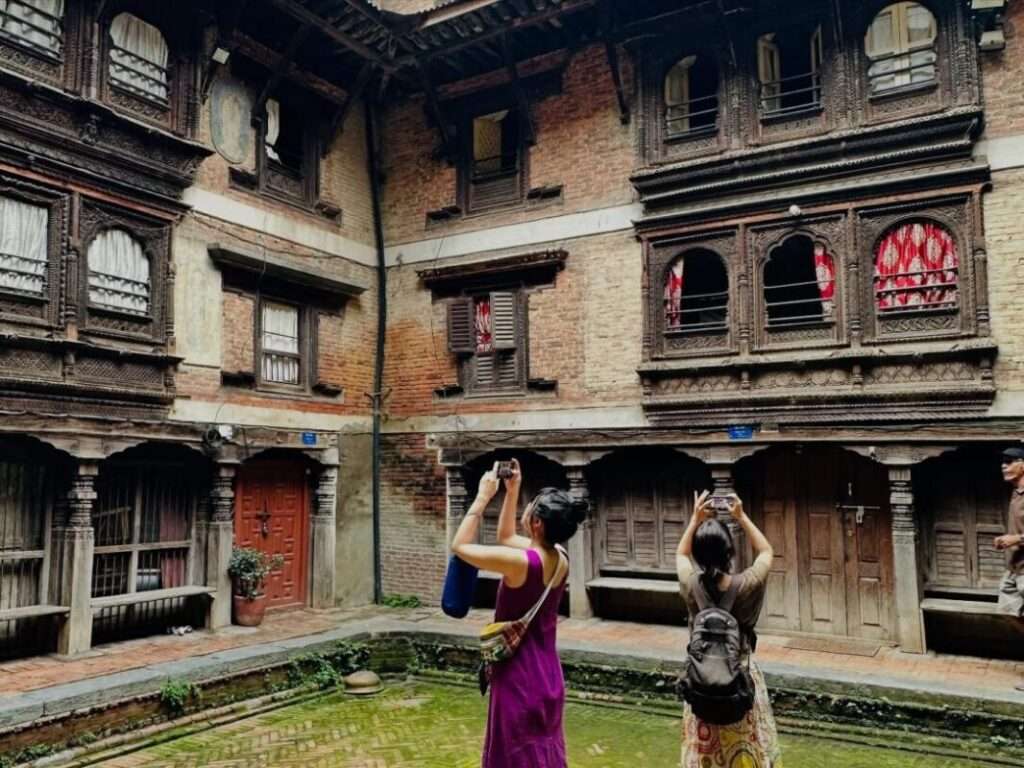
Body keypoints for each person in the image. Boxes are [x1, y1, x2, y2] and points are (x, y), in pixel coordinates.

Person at [450, 458, 587, 768]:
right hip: (548, 676)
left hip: (518, 678)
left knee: (513, 757)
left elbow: (459, 546)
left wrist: (482, 498)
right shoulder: (560, 557)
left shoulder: (522, 563)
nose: (526, 511)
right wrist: (512, 491)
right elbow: (506, 537)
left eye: (530, 508)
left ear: (537, 523)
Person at [676, 490, 783, 768]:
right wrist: (741, 516)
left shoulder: (691, 585)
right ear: (729, 553)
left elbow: (681, 554)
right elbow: (766, 551)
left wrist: (695, 519)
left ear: (698, 555)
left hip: (701, 681)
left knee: (706, 755)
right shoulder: (747, 585)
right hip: (739, 680)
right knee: (745, 750)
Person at [995, 446, 1024, 692]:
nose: (1003, 466)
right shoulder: (1016, 493)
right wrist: (1006, 540)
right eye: (1003, 462)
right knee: (1008, 608)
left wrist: (1017, 539)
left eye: (1009, 461)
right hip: (1015, 567)